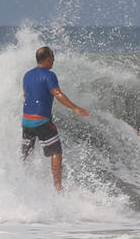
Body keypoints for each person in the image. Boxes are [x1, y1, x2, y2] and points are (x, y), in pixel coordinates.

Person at [21, 46, 90, 191]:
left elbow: (26, 96)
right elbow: (57, 94)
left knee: (26, 153)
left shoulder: (27, 75)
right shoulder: (49, 75)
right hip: (42, 121)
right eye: (52, 57)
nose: (54, 60)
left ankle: (21, 179)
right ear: (46, 59)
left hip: (26, 121)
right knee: (56, 153)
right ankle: (58, 188)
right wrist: (75, 108)